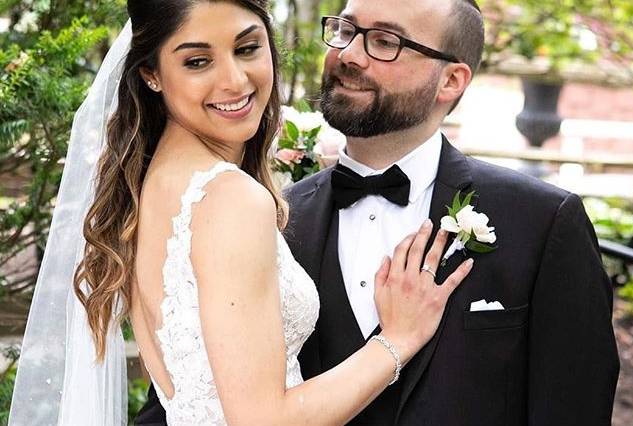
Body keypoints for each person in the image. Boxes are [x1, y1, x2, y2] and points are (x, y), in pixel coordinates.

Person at [9, 1, 474, 425]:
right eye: (197, 61)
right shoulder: (230, 199)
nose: (234, 80)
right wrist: (397, 341)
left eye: (247, 48)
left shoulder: (148, 188)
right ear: (151, 73)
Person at [282, 0, 619, 425]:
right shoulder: (279, 219)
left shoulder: (544, 222)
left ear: (451, 81)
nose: (348, 54)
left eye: (385, 41)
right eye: (346, 31)